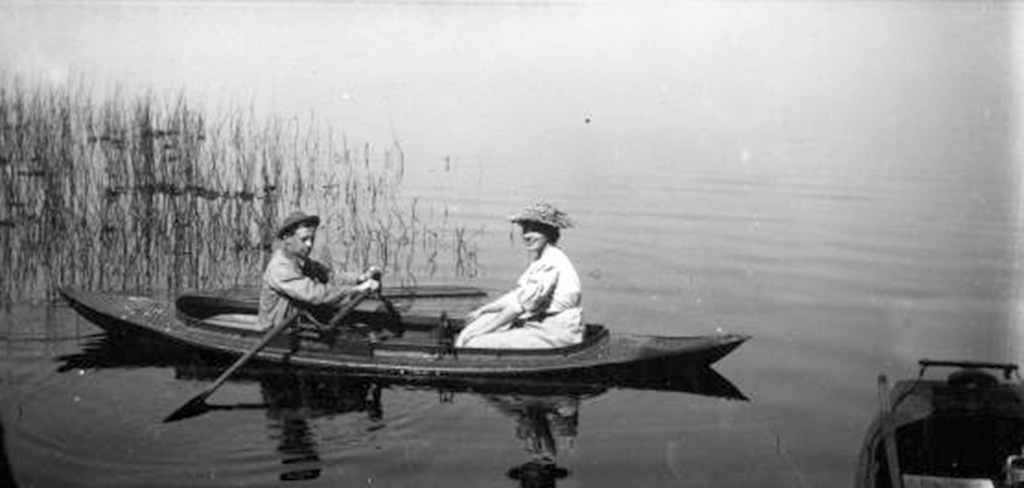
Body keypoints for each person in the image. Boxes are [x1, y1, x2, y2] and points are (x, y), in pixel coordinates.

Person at [455, 201, 583, 349]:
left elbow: (517, 307)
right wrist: (484, 309)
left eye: (534, 230)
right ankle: (458, 357)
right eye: (525, 229)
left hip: (556, 333)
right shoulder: (544, 257)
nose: (527, 235)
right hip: (540, 323)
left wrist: (481, 331)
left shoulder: (550, 263)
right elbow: (518, 297)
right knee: (480, 321)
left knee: (474, 342)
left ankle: (463, 362)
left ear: (549, 233)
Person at [258, 210, 380, 331]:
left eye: (312, 239)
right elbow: (314, 293)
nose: (309, 244)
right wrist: (355, 290)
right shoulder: (280, 268)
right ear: (287, 239)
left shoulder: (300, 260)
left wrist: (360, 278)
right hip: (277, 332)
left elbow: (330, 276)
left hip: (296, 321)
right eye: (304, 239)